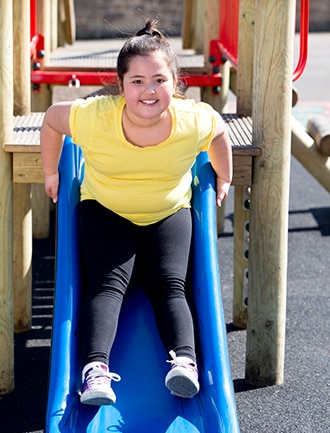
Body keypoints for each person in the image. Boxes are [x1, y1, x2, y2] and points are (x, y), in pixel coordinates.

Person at [40, 19, 232, 406]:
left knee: (171, 284)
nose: (149, 90)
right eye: (137, 81)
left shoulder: (193, 119)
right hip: (107, 209)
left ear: (175, 83)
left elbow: (219, 133)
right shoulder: (95, 117)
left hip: (167, 212)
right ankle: (95, 371)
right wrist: (49, 171)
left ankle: (185, 362)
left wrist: (224, 178)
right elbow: (50, 120)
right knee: (109, 285)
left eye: (159, 80)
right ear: (121, 84)